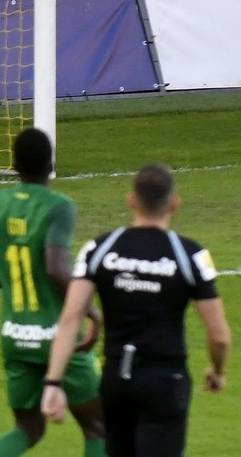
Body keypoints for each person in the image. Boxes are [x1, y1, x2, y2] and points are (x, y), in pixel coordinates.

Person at [42, 164, 231, 456]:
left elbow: (70, 320)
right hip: (165, 381)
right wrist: (217, 371)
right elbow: (219, 336)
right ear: (174, 204)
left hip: (117, 378)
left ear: (131, 200)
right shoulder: (191, 255)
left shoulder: (99, 249)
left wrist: (53, 382)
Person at [0, 127, 107, 457]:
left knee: (27, 429)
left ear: (13, 164)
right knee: (98, 426)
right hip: (61, 339)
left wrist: (6, 281)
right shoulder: (58, 206)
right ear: (51, 164)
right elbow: (55, 267)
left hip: (15, 335)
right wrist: (90, 310)